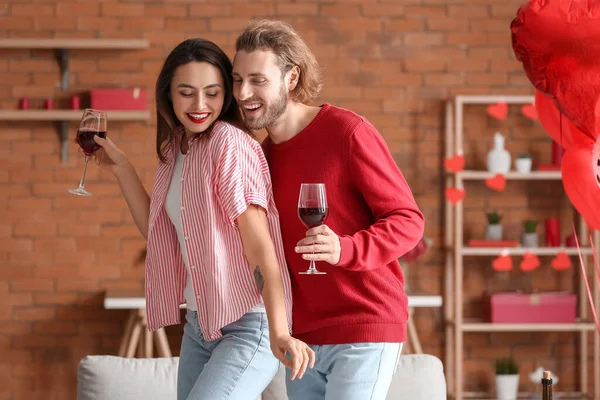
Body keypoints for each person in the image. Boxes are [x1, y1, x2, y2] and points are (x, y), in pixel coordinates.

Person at [92, 38, 314, 400]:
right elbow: (160, 231)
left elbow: (261, 248)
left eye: (212, 93)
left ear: (225, 95)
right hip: (200, 324)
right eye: (186, 92)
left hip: (248, 324)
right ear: (168, 94)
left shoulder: (228, 143)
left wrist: (279, 330)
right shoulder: (176, 147)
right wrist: (122, 169)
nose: (200, 105)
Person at [232, 20, 425, 400]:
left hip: (364, 325)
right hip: (304, 339)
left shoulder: (346, 132)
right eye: (237, 80)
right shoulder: (258, 159)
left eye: (257, 80)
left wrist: (346, 249)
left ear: (291, 78)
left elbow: (408, 221)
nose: (243, 92)